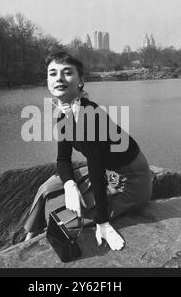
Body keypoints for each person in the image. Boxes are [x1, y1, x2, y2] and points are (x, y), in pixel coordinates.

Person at [21, 51, 152, 251]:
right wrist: (70, 186)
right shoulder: (63, 114)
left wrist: (103, 222)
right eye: (53, 73)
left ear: (81, 80)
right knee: (47, 188)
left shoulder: (91, 116)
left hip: (130, 182)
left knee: (62, 217)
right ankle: (26, 242)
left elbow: (96, 168)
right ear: (47, 80)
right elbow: (63, 160)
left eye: (67, 73)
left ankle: (32, 244)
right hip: (108, 174)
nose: (59, 79)